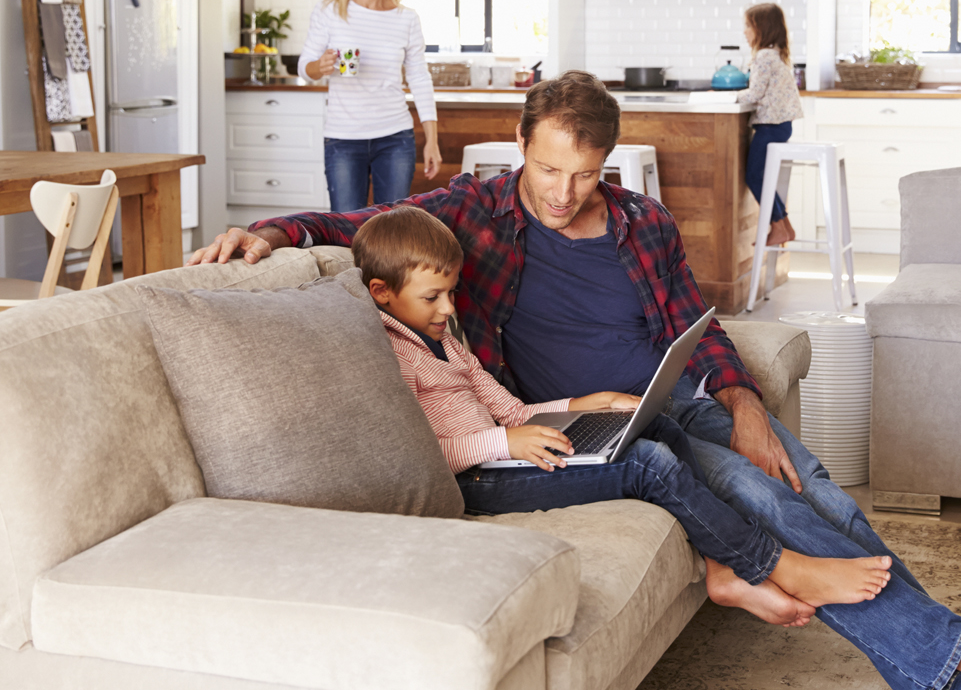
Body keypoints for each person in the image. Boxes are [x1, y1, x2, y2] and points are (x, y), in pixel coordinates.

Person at [188, 70, 961, 690]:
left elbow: (688, 328)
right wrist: (273, 231)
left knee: (813, 492)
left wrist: (739, 397)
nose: (561, 192)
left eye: (582, 174)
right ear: (520, 147)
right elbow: (364, 223)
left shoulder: (642, 224)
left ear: (607, 165)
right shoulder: (474, 210)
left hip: (680, 405)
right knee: (775, 507)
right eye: (547, 169)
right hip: (597, 428)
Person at [351, 203, 893, 625]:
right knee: (647, 465)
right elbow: (420, 457)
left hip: (507, 455)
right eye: (433, 297)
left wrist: (583, 406)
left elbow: (512, 411)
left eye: (451, 293)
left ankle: (724, 571)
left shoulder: (442, 338)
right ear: (381, 292)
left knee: (655, 422)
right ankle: (771, 565)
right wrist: (502, 444)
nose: (449, 308)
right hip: (476, 482)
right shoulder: (391, 353)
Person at [298, 0, 441, 210]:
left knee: (391, 233)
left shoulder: (407, 18)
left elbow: (419, 79)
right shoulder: (329, 11)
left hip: (395, 137)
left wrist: (432, 140)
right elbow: (304, 68)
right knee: (345, 232)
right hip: (343, 139)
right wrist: (320, 66)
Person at [737, 2, 802, 247]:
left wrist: (730, 96)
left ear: (761, 28)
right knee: (759, 176)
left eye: (747, 26)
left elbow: (754, 94)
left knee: (754, 176)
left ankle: (778, 225)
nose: (744, 32)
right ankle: (783, 226)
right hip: (780, 125)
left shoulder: (764, 56)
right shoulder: (776, 54)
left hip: (770, 127)